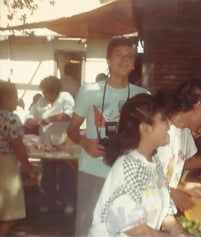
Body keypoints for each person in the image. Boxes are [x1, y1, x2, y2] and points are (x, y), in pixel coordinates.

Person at [67, 36, 150, 237]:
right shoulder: (89, 91)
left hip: (128, 173)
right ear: (108, 61)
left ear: (134, 63)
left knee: (127, 225)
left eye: (129, 56)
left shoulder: (143, 95)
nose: (124, 60)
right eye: (118, 55)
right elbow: (72, 129)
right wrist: (85, 142)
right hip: (93, 169)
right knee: (87, 224)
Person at [88, 93, 190, 237]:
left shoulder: (154, 163)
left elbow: (164, 208)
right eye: (164, 120)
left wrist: (178, 232)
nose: (169, 124)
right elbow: (132, 228)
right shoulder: (128, 167)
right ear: (145, 128)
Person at [156, 79, 201, 213]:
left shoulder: (185, 131)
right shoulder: (160, 130)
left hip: (165, 208)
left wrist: (193, 183)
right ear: (198, 106)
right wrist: (174, 190)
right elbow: (146, 174)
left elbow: (183, 163)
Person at [25, 76, 77, 215]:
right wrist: (32, 121)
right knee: (48, 174)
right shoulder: (41, 101)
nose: (44, 95)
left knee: (67, 174)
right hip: (47, 145)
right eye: (43, 92)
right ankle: (47, 202)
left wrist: (50, 119)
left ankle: (69, 202)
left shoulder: (66, 98)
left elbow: (69, 115)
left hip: (64, 143)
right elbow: (29, 116)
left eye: (47, 92)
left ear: (55, 91)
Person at [0, 81, 37, 235]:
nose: (17, 100)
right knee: (11, 211)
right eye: (15, 96)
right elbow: (18, 147)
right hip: (6, 165)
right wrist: (29, 170)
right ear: (6, 98)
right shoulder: (12, 119)